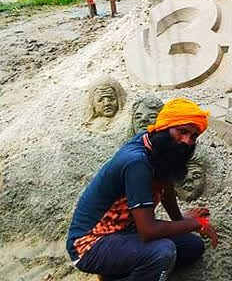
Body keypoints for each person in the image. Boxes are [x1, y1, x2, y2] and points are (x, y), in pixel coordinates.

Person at [67, 98, 218, 280]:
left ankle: (114, 273)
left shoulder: (155, 143)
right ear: (164, 127)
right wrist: (195, 224)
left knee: (192, 246)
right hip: (90, 244)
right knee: (163, 252)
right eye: (182, 131)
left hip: (127, 231)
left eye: (193, 136)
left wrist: (180, 220)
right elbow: (148, 231)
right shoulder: (136, 162)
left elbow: (166, 188)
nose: (187, 141)